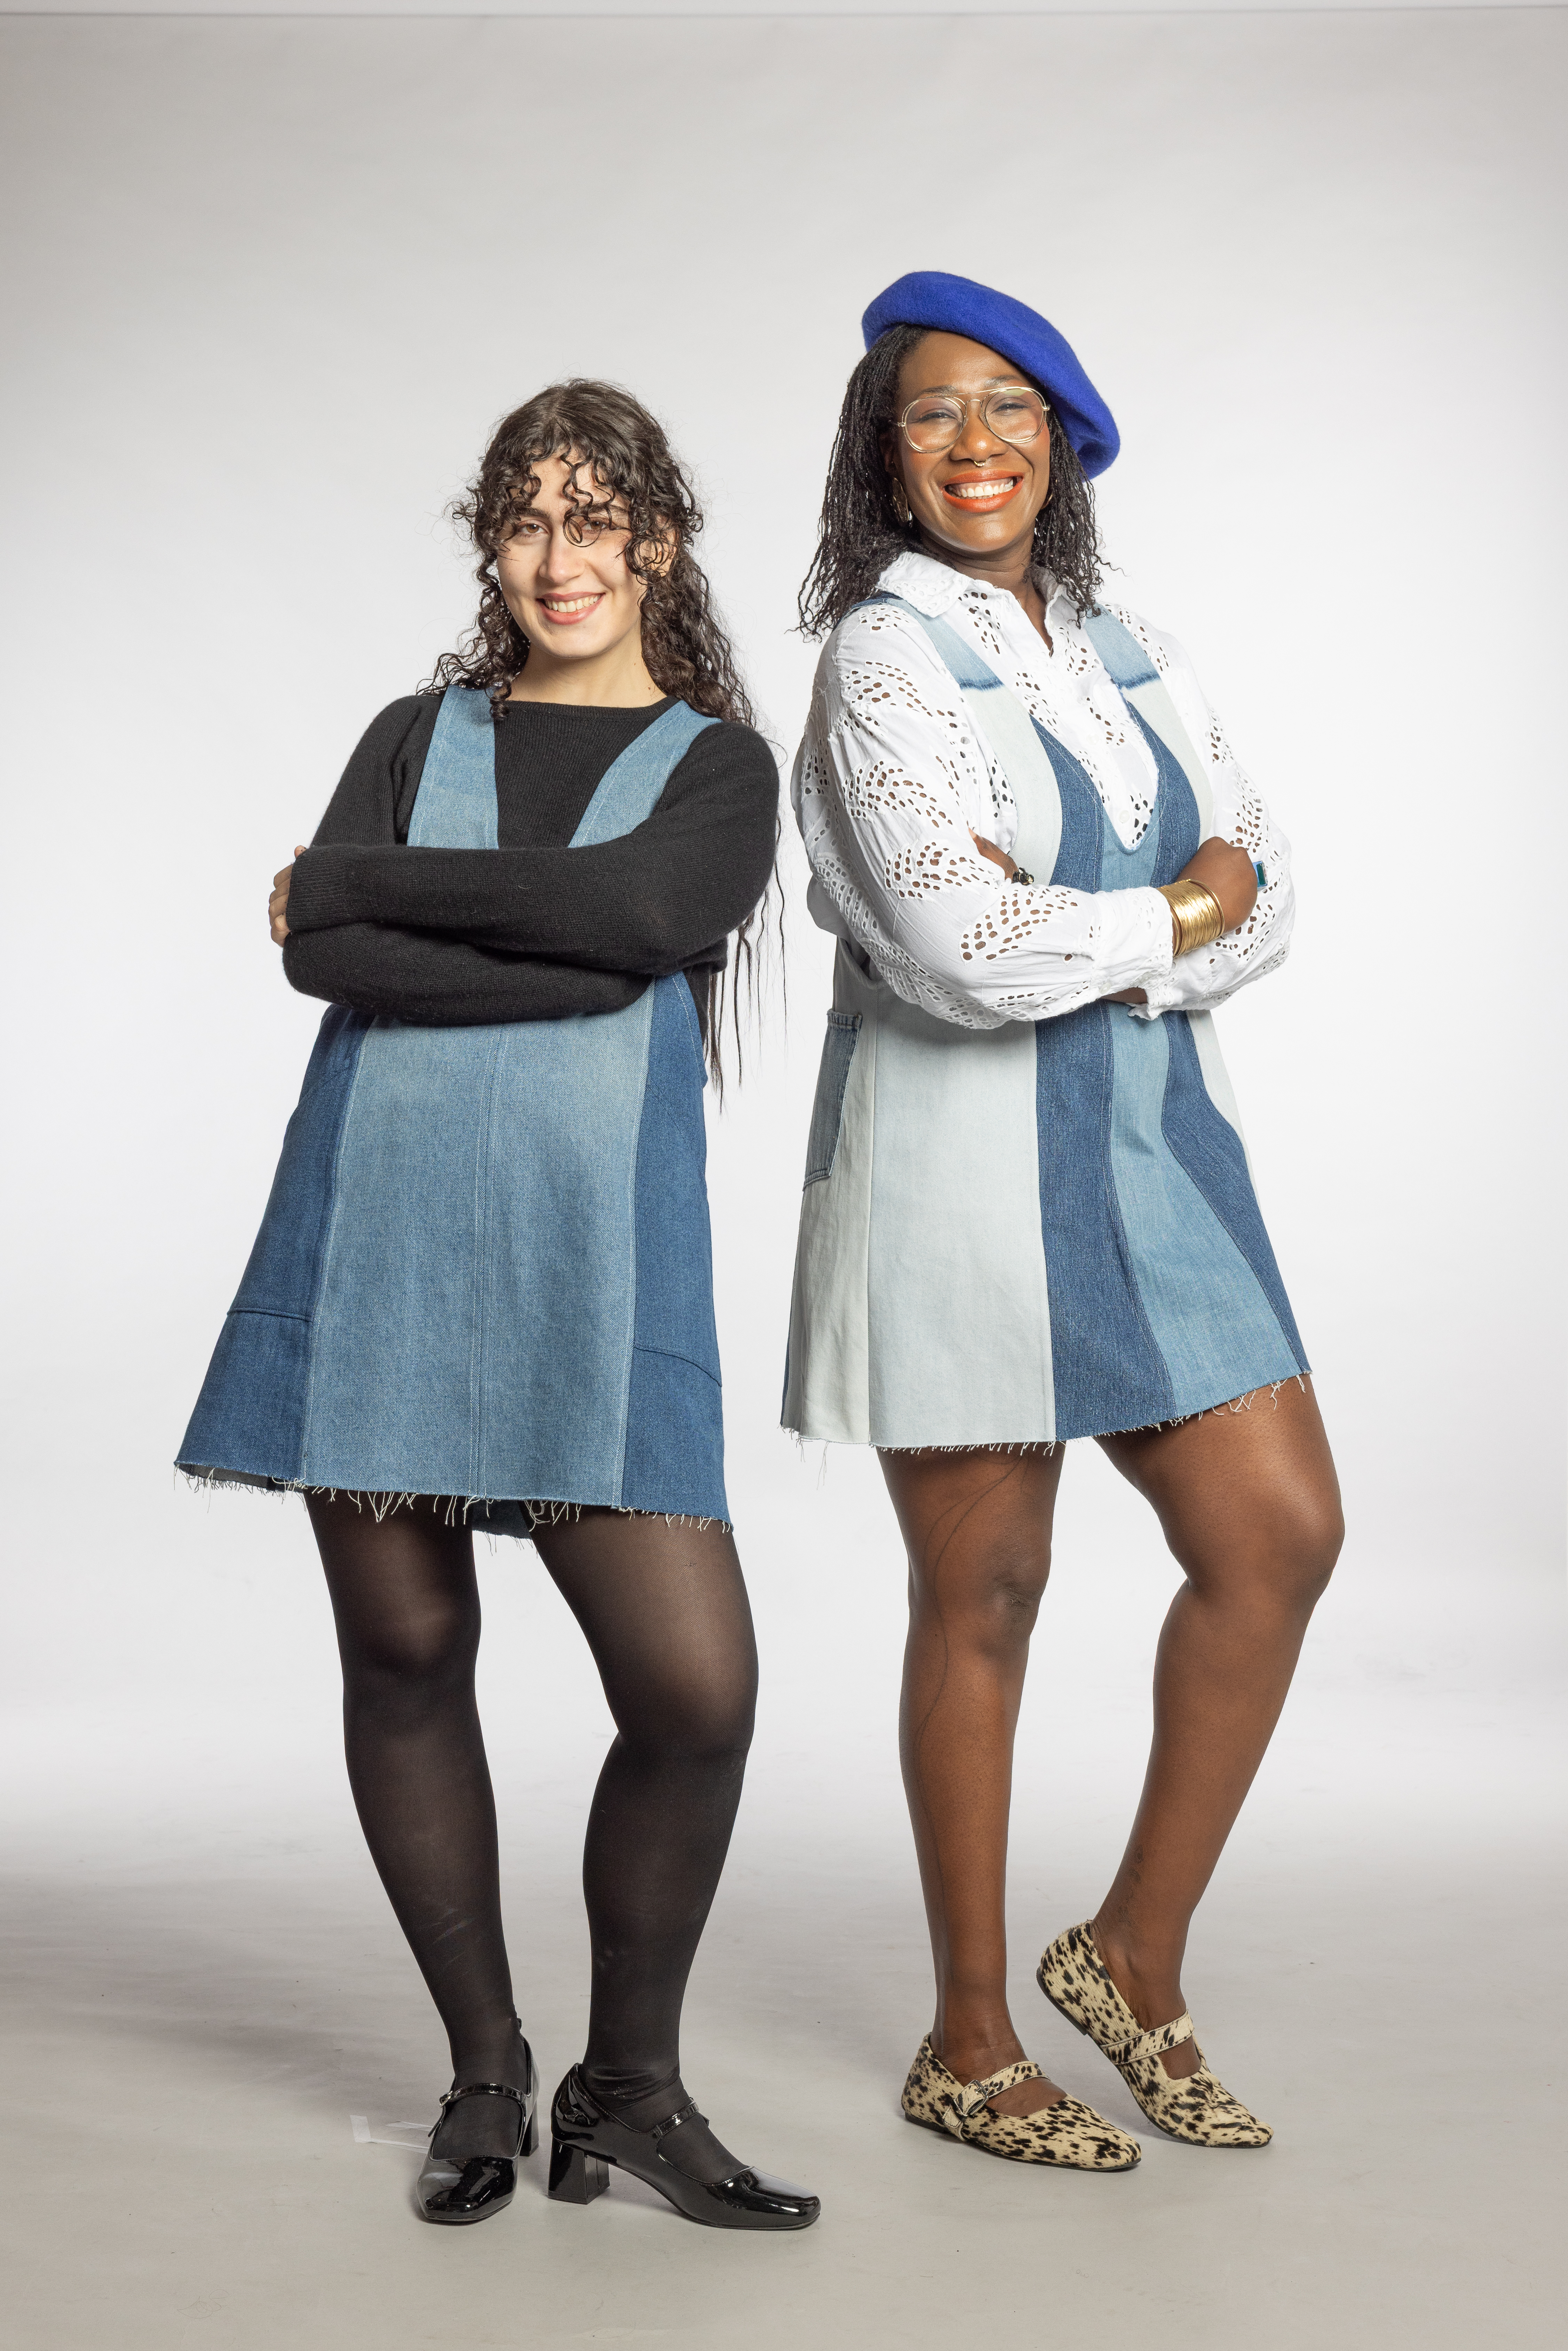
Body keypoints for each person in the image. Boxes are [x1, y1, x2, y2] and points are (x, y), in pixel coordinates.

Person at [178, 381, 818, 2234]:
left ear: (658, 542)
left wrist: (373, 896)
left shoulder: (716, 767)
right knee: (403, 1657)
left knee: (696, 1692)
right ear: (493, 545)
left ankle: (632, 2083)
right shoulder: (413, 730)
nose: (560, 557)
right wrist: (491, 933)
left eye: (595, 517)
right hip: (374, 1235)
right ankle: (483, 2070)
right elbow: (331, 964)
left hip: (594, 1264)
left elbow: (626, 924)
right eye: (526, 520)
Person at [785, 273, 1343, 2174]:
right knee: (987, 1593)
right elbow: (955, 951)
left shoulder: (1131, 649)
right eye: (935, 413)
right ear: (884, 447)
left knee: (1278, 1534)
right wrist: (1167, 916)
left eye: (1012, 410)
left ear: (1066, 440)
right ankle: (964, 2037)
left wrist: (1146, 926)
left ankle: (1132, 1951)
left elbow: (1272, 886)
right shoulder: (879, 660)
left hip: (1153, 1149)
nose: (976, 445)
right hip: (953, 1175)